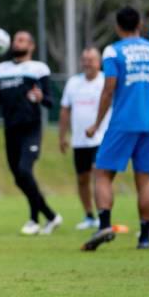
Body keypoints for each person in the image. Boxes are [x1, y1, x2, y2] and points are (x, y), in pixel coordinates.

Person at [80, 7, 149, 251]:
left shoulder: (113, 50)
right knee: (145, 180)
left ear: (117, 26)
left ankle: (104, 224)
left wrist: (96, 123)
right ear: (140, 24)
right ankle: (145, 237)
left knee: (102, 173)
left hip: (123, 122)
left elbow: (109, 88)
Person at [0, 30, 62, 235]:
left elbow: (50, 101)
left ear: (31, 46)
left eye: (21, 40)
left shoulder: (38, 69)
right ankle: (50, 216)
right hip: (10, 131)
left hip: (31, 129)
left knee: (24, 171)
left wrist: (41, 98)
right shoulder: (0, 70)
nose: (16, 43)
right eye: (15, 40)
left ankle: (34, 220)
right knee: (19, 178)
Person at [58, 47, 110, 229]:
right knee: (82, 179)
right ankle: (89, 216)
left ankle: (103, 215)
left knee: (99, 176)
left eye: (91, 60)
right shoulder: (73, 82)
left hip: (101, 138)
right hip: (79, 140)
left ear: (99, 62)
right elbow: (65, 110)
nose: (87, 63)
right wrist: (62, 136)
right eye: (84, 59)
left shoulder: (106, 81)